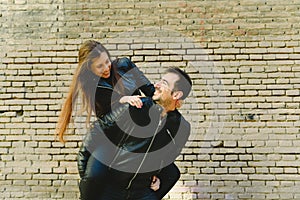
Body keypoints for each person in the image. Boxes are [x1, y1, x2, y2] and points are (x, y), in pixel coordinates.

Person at [56, 40, 181, 199]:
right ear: (90, 68)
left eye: (107, 61)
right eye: (99, 66)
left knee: (171, 174)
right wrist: (122, 100)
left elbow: (150, 91)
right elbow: (104, 118)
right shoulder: (91, 85)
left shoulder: (125, 65)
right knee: (93, 175)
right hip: (112, 137)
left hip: (137, 135)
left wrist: (171, 101)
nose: (106, 68)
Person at [81, 67, 192, 200]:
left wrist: (159, 177)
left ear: (176, 95)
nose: (156, 85)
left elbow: (170, 156)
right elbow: (95, 133)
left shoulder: (182, 128)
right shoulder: (135, 107)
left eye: (164, 83)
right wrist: (87, 177)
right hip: (111, 188)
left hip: (142, 192)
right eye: (160, 81)